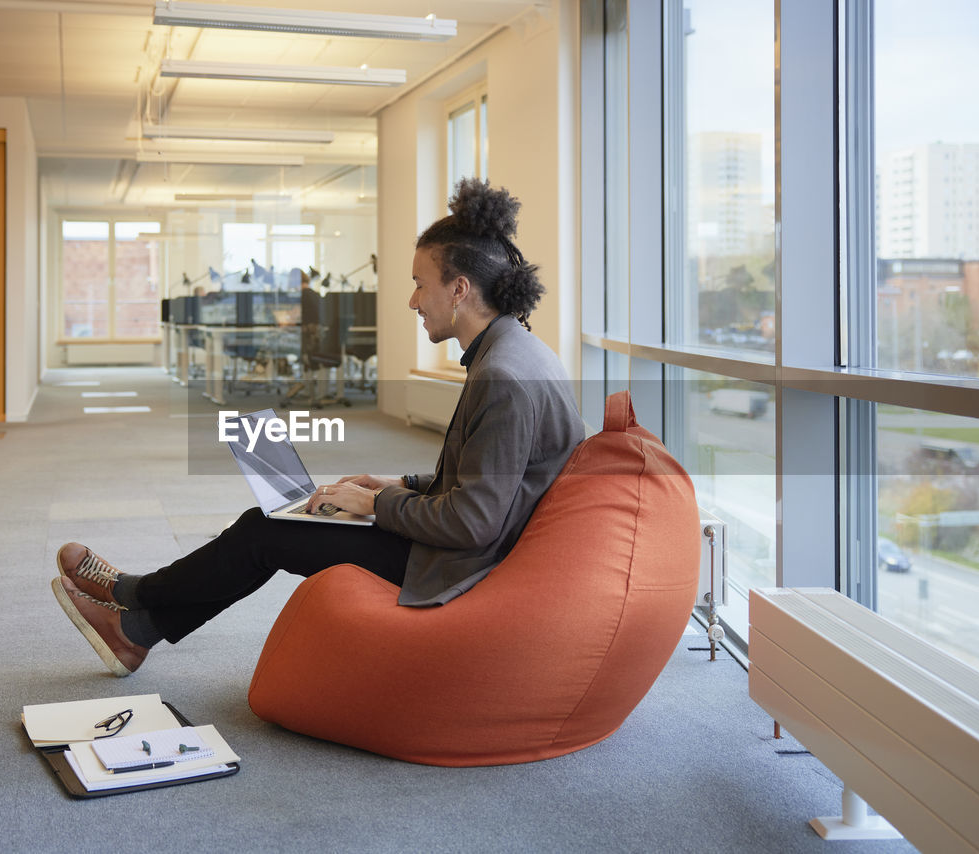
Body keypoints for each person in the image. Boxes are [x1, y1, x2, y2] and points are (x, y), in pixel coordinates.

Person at [52, 178, 585, 676]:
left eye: (421, 285)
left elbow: (474, 523)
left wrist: (374, 507)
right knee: (286, 516)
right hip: (457, 545)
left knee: (265, 531)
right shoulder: (515, 353)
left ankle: (135, 599)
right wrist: (398, 485)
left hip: (455, 564)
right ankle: (135, 627)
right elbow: (489, 479)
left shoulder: (503, 376)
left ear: (460, 289)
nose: (412, 300)